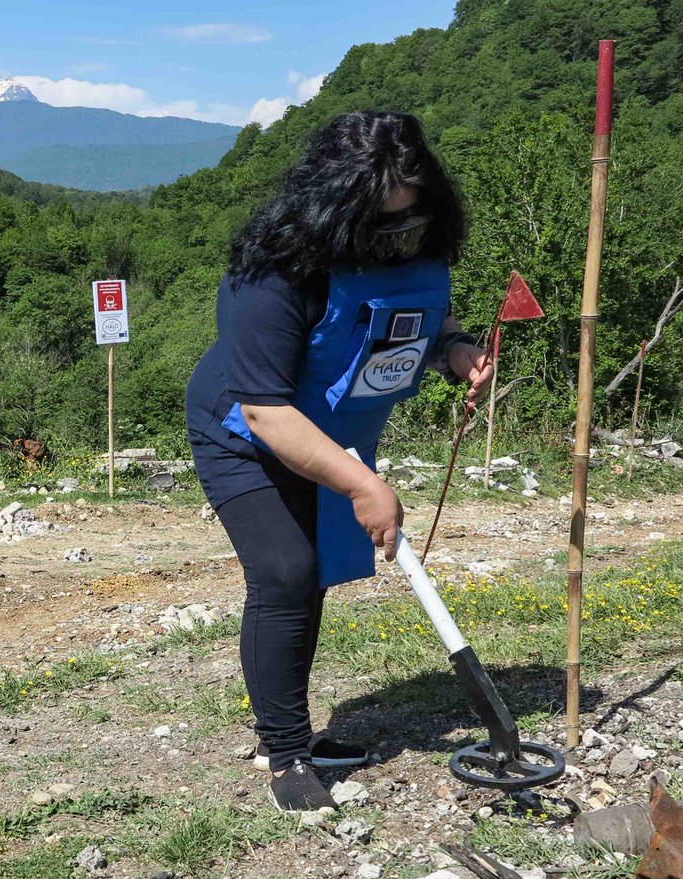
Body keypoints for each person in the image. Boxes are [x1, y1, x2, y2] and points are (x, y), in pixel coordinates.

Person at [185, 110, 493, 813]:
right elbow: (265, 410)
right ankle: (287, 752)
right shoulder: (273, 272)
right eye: (382, 227)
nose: (399, 242)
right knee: (285, 571)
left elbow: (420, 319)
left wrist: (456, 352)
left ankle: (292, 734)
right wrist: (364, 485)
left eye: (411, 223)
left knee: (312, 573)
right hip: (244, 431)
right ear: (335, 206)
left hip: (333, 437)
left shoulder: (416, 253)